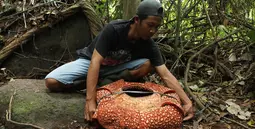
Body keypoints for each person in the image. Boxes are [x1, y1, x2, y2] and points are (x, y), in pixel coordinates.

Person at [45, 0, 194, 122]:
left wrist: (186, 102)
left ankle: (106, 81)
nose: (153, 31)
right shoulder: (114, 29)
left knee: (147, 64)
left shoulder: (149, 43)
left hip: (116, 69)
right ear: (137, 20)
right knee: (51, 81)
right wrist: (90, 100)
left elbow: (165, 74)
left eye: (156, 27)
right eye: (150, 25)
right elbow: (95, 62)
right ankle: (94, 83)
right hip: (90, 62)